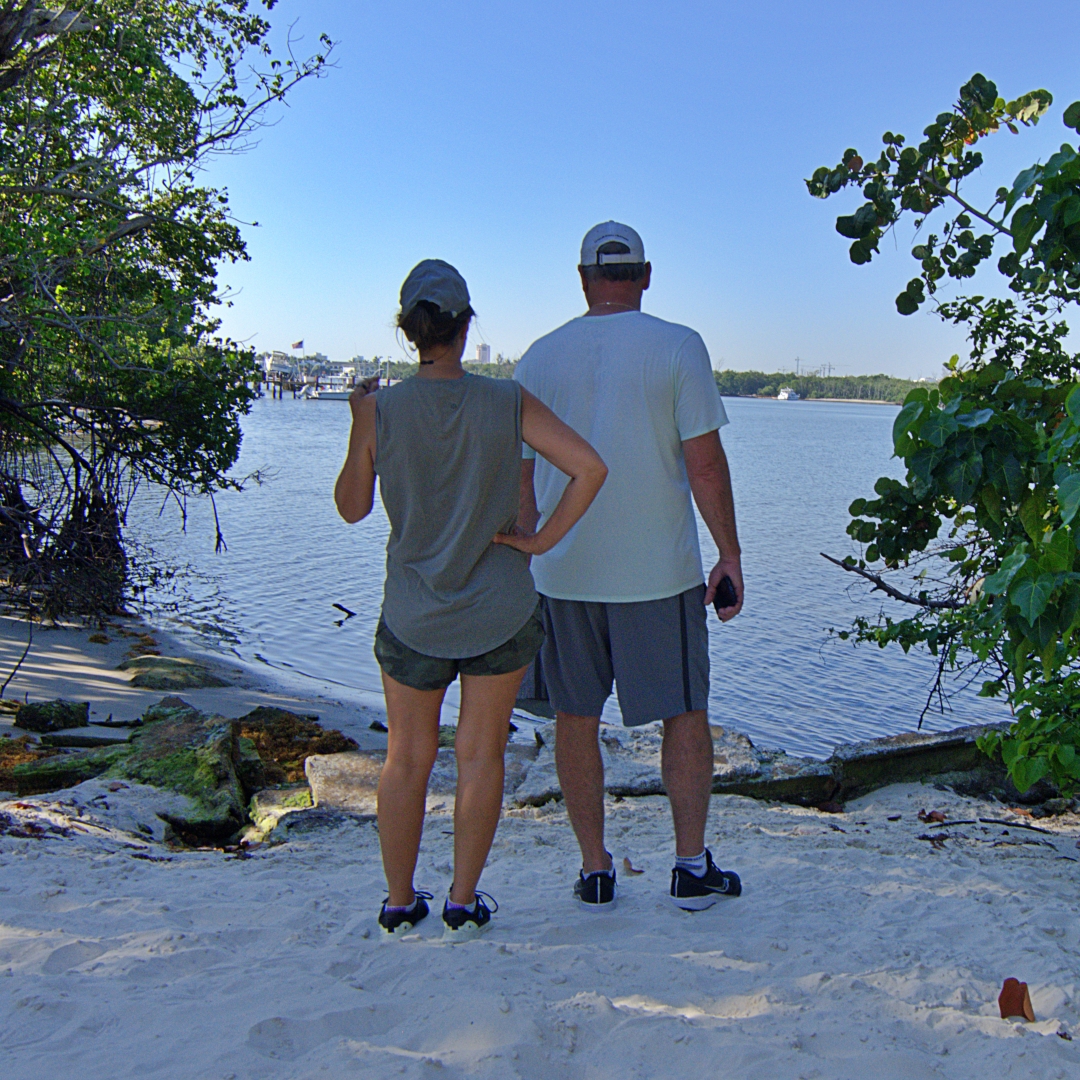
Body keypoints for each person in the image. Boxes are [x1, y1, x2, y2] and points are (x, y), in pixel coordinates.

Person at [335, 259, 607, 940]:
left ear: (409, 330)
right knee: (481, 755)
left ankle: (399, 902)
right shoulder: (506, 401)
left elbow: (350, 509)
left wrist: (357, 423)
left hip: (413, 610)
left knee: (406, 759)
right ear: (465, 326)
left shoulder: (381, 408)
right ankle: (462, 899)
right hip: (498, 609)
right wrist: (540, 541)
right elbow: (589, 467)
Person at [514, 222, 744, 912]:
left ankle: (595, 870)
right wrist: (729, 553)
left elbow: (522, 482)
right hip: (660, 575)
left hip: (561, 574)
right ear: (645, 276)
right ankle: (690, 867)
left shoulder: (536, 357)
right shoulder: (678, 345)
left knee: (574, 719)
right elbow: (704, 464)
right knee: (684, 714)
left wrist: (529, 558)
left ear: (582, 279)